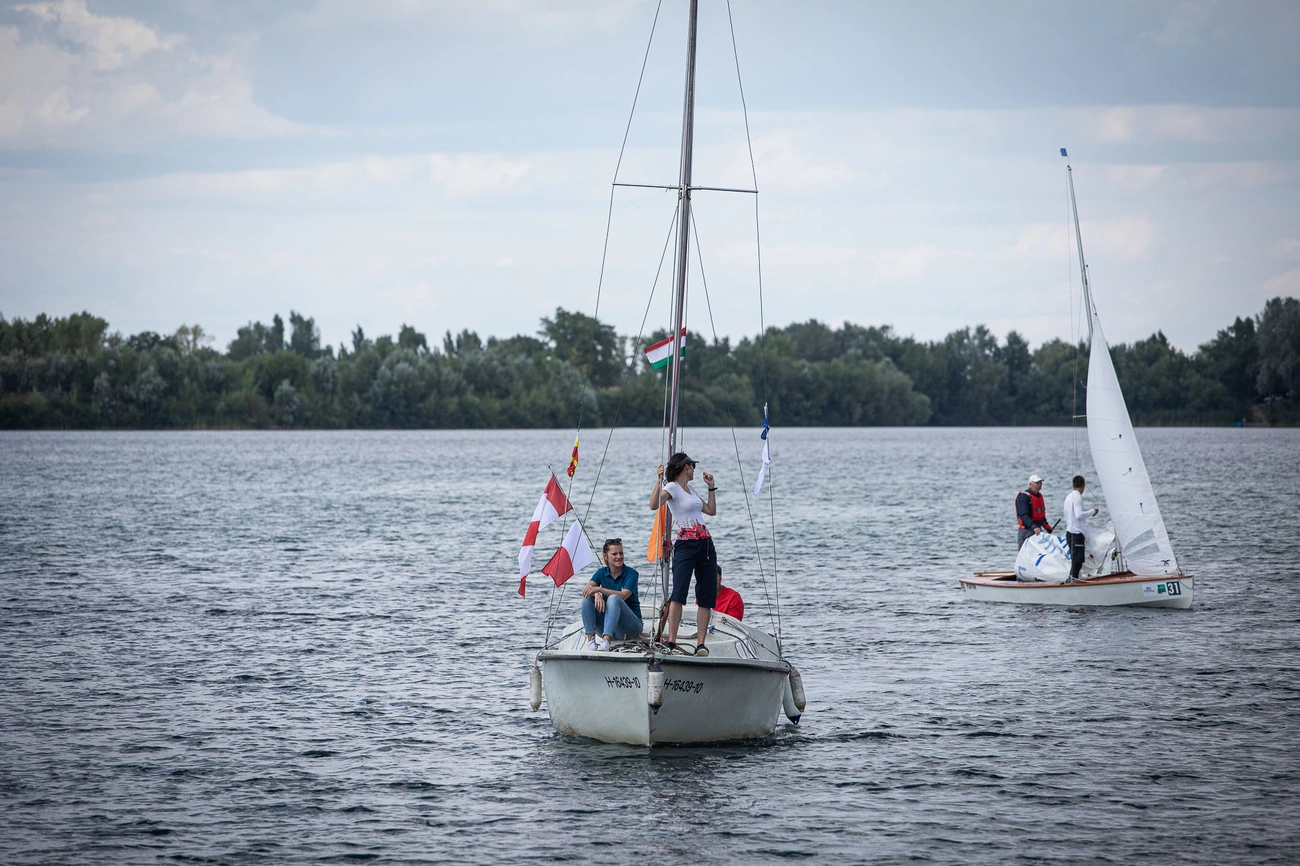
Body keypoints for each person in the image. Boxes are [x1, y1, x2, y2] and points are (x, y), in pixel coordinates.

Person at [649, 451, 717, 656]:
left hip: (705, 543)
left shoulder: (692, 489)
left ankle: (701, 644)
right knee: (679, 592)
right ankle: (671, 640)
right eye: (692, 466)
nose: (694, 469)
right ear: (685, 467)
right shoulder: (672, 487)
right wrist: (659, 480)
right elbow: (653, 505)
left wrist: (711, 487)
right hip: (685, 544)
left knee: (705, 594)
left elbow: (711, 511)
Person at [579, 539, 643, 652]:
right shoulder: (601, 572)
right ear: (606, 556)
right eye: (614, 554)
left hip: (630, 627)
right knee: (587, 597)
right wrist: (597, 594)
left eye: (621, 553)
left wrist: (599, 589)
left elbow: (623, 595)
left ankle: (606, 642)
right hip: (608, 625)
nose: (619, 556)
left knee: (613, 598)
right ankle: (591, 642)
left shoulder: (632, 574)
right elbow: (588, 588)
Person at [1062, 474, 1100, 582]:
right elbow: (1078, 515)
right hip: (1076, 533)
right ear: (1083, 486)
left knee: (1076, 559)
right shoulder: (1077, 497)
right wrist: (1093, 511)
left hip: (1070, 532)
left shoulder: (1068, 497)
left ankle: (1072, 578)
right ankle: (1072, 579)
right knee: (1077, 560)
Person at [1015, 474, 1052, 550]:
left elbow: (1040, 515)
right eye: (1037, 483)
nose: (1039, 485)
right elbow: (1023, 515)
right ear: (1030, 484)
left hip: (1038, 531)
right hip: (1026, 531)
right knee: (1025, 553)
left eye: (1040, 483)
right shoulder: (1024, 497)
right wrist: (1034, 526)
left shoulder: (1039, 496)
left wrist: (1046, 526)